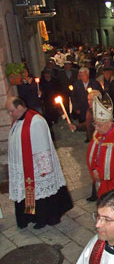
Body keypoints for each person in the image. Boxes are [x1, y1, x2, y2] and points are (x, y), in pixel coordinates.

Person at [6, 96, 73, 229]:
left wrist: (44, 168)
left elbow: (43, 146)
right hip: (22, 167)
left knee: (40, 194)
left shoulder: (36, 121)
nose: (10, 114)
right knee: (27, 193)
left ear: (19, 107)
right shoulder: (17, 121)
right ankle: (29, 216)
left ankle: (41, 218)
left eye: (11, 111)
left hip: (36, 168)